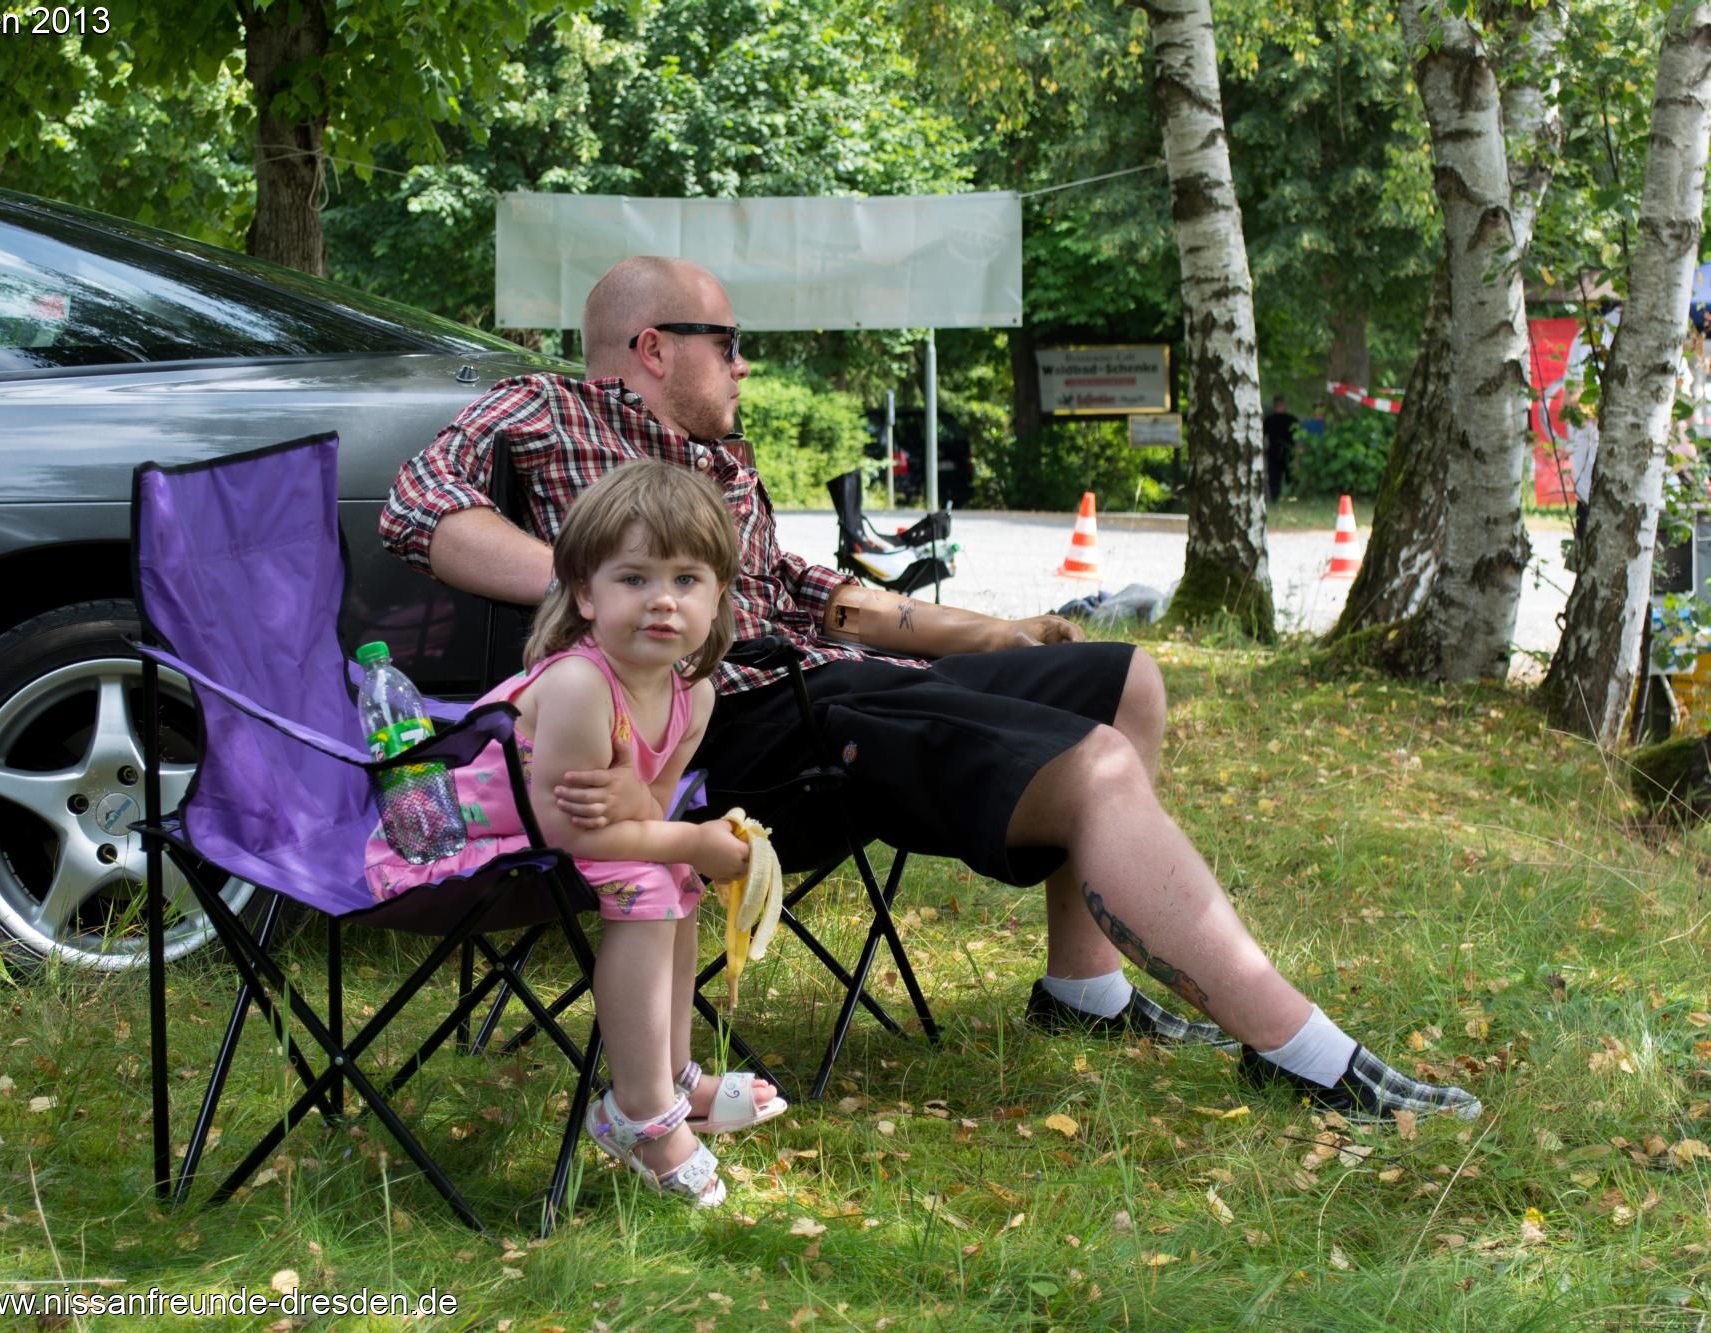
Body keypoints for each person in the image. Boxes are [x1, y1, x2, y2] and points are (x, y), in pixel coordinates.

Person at [380, 255, 1482, 1123]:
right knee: (1090, 765)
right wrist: (608, 593)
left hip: (840, 674)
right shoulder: (546, 409)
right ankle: (1306, 1055)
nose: (746, 368)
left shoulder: (725, 466)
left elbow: (817, 594)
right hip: (747, 719)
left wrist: (991, 633)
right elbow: (419, 509)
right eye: (731, 345)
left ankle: (1084, 992)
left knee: (1118, 683)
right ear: (654, 347)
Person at [368, 459, 785, 1206]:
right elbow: (579, 836)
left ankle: (674, 1075)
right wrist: (692, 840)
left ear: (719, 594)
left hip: (561, 837)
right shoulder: (580, 683)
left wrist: (654, 814)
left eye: (687, 580)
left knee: (675, 877)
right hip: (467, 839)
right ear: (586, 594)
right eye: (634, 578)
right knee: (655, 877)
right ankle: (639, 1114)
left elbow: (644, 812)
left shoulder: (694, 695)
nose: (663, 599)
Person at [1263, 395, 1300, 503]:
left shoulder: (1269, 420)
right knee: (1285, 476)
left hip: (1278, 451)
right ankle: (1290, 496)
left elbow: (1264, 437)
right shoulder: (1291, 419)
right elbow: (1297, 438)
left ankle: (1279, 497)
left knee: (1278, 476)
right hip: (1283, 452)